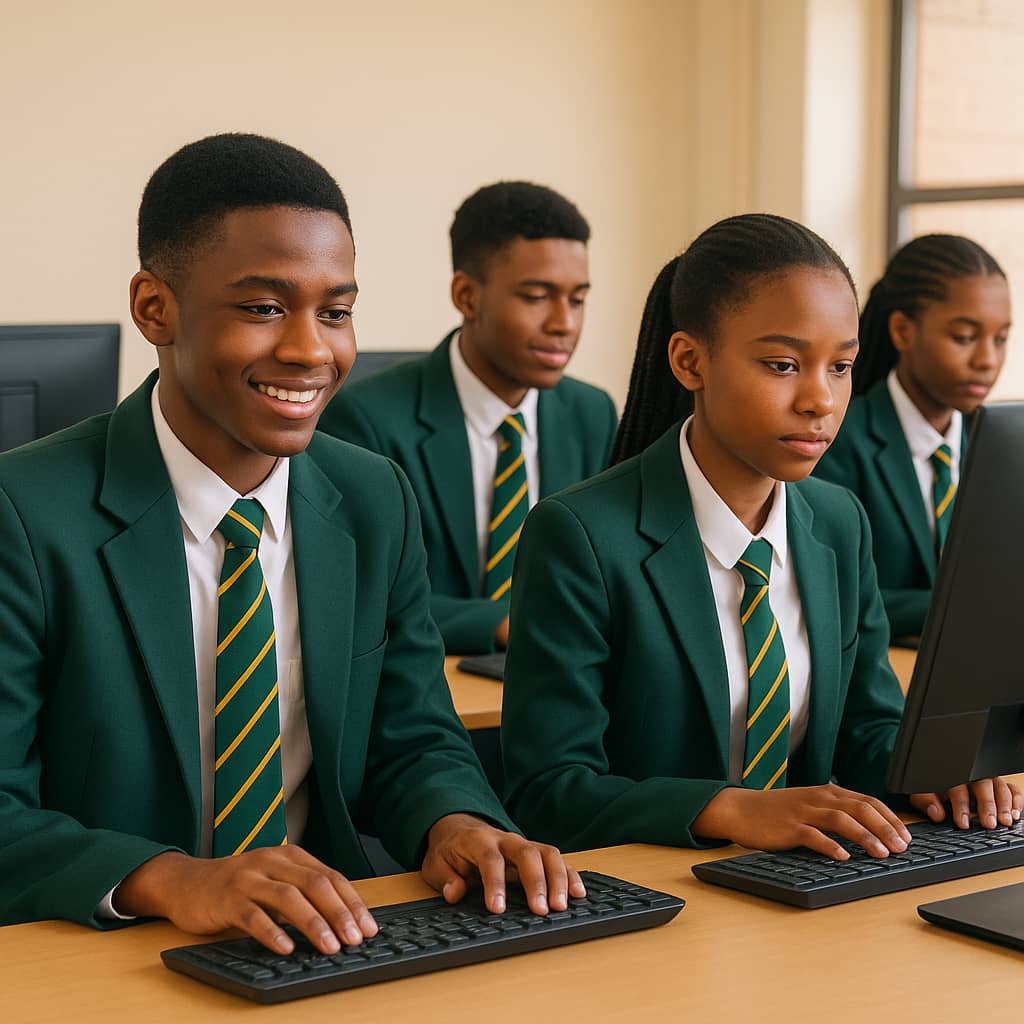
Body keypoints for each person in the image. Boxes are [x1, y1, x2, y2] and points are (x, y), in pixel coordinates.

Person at [0, 133, 583, 954]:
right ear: (154, 307)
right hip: (107, 950)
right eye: (264, 307)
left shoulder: (374, 496)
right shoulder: (22, 513)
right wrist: (176, 879)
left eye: (336, 311)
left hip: (321, 943)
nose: (312, 350)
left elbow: (411, 738)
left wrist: (457, 823)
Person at [500, 214, 1022, 857]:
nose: (820, 400)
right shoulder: (578, 534)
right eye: (782, 365)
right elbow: (549, 789)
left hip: (802, 883)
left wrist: (938, 775)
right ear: (690, 361)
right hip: (656, 897)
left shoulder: (838, 522)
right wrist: (732, 811)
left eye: (841, 367)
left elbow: (868, 730)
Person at [318, 182, 617, 654]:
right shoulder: (365, 420)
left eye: (577, 299)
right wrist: (504, 623)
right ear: (467, 295)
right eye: (537, 296)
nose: (565, 323)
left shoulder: (591, 413)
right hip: (437, 691)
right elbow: (356, 588)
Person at [814, 234, 1011, 641]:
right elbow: (833, 592)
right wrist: (974, 605)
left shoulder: (1001, 447)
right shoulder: (838, 441)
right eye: (964, 337)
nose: (987, 360)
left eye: (1001, 338)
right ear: (903, 331)